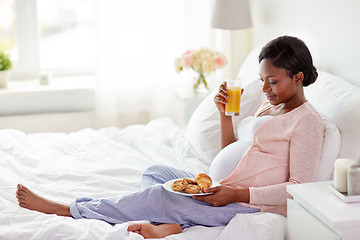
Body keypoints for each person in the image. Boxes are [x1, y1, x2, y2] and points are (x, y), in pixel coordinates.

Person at [16, 35, 325, 239]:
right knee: (156, 173)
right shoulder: (270, 107)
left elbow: (301, 189)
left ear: (297, 78)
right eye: (262, 81)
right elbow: (233, 152)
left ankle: (68, 209)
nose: (265, 88)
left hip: (247, 204)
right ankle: (176, 224)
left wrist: (238, 195)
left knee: (159, 194)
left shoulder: (307, 122)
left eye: (272, 81)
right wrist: (223, 115)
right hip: (221, 187)